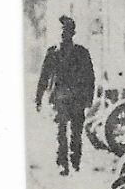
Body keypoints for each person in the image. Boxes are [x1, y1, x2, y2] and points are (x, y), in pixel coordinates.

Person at [35, 15, 96, 175]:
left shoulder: (82, 53)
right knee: (60, 131)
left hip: (77, 99)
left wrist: (89, 98)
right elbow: (44, 76)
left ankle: (75, 159)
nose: (64, 35)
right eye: (62, 31)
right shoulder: (52, 53)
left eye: (67, 31)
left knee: (76, 133)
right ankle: (63, 163)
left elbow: (90, 77)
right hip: (59, 98)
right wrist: (38, 98)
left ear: (72, 33)